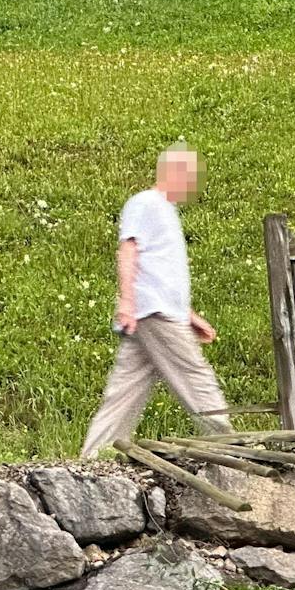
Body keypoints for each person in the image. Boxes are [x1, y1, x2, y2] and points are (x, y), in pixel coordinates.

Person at [81, 143, 232, 457]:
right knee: (194, 374)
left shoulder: (166, 210)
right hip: (154, 312)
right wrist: (126, 301)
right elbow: (128, 251)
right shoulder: (145, 202)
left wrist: (189, 315)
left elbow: (162, 270)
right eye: (189, 177)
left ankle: (93, 457)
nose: (191, 185)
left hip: (159, 311)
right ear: (172, 172)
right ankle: (227, 442)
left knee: (125, 390)